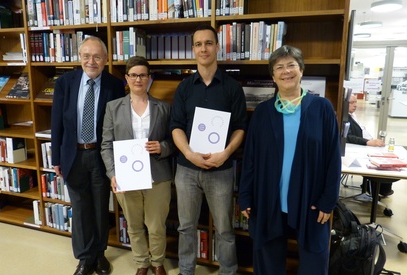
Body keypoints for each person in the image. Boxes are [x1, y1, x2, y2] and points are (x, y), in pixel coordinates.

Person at [238, 45, 341, 274]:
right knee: (267, 261)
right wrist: (245, 195)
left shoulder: (322, 108)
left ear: (301, 70)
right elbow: (251, 157)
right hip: (269, 199)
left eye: (292, 65)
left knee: (314, 261)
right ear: (273, 75)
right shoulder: (263, 112)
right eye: (279, 67)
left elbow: (333, 158)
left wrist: (328, 200)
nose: (286, 71)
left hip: (311, 200)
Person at [170, 25, 247, 275]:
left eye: (208, 43)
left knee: (224, 228)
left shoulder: (232, 87)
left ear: (217, 47)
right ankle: (185, 271)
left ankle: (228, 271)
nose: (203, 48)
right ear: (193, 49)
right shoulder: (184, 88)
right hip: (187, 170)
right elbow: (176, 127)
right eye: (198, 44)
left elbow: (240, 128)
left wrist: (225, 153)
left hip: (221, 169)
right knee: (186, 226)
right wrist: (190, 153)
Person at [51, 36, 125, 275]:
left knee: (101, 207)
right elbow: (56, 124)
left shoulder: (115, 85)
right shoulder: (65, 83)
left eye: (97, 57)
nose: (91, 61)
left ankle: (100, 254)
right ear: (79, 58)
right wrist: (56, 159)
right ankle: (84, 258)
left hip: (102, 156)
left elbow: (119, 124)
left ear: (105, 59)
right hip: (74, 155)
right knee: (81, 208)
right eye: (86, 56)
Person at [101, 56, 174, 275]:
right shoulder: (113, 108)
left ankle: (158, 262)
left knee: (156, 225)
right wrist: (113, 174)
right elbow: (106, 145)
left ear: (149, 78)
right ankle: (142, 263)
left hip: (158, 175)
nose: (138, 79)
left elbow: (174, 141)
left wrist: (163, 147)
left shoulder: (163, 108)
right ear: (126, 78)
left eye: (143, 75)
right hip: (126, 177)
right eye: (133, 75)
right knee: (133, 225)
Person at [347, 94, 394, 197]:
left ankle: (380, 188)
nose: (355, 105)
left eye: (356, 102)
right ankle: (378, 188)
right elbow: (348, 137)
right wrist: (367, 142)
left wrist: (372, 140)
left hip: (364, 144)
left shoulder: (352, 115)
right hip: (357, 148)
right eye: (352, 103)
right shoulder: (344, 117)